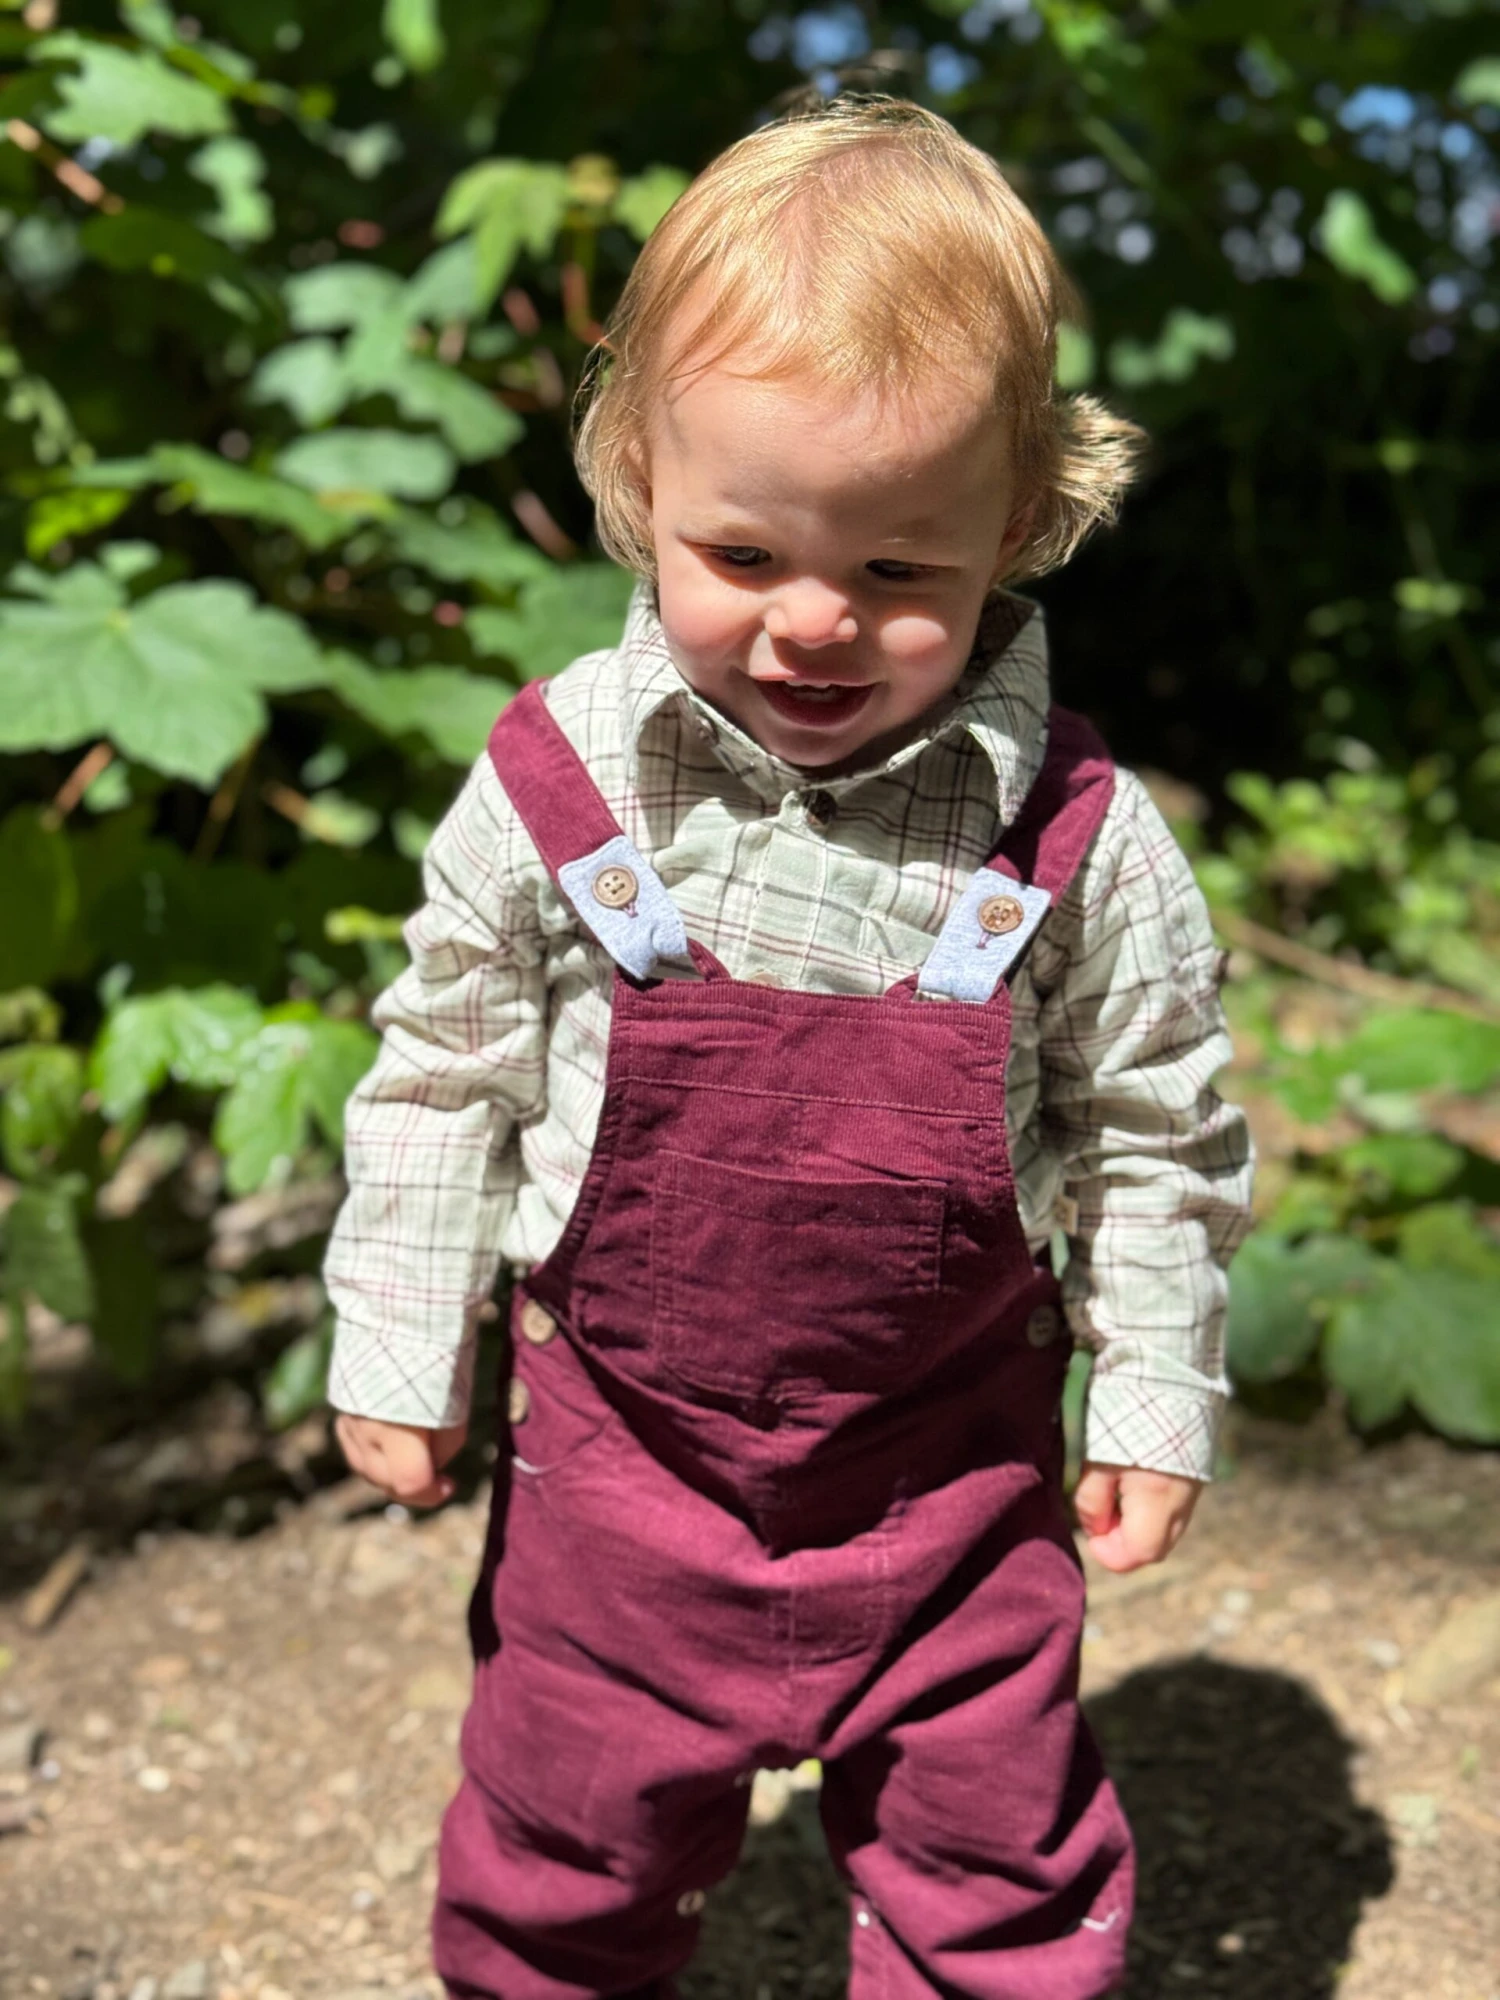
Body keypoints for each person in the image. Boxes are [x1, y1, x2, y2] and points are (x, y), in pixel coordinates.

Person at [323, 94, 1254, 2000]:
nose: (814, 625)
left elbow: (1161, 1129)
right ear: (638, 484)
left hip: (949, 1481)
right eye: (744, 554)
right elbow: (446, 1072)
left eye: (903, 575)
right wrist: (403, 1336)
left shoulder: (1079, 846)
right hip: (623, 1469)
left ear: (1017, 521)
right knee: (560, 1838)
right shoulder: (559, 788)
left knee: (995, 1852)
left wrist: (1156, 1386)